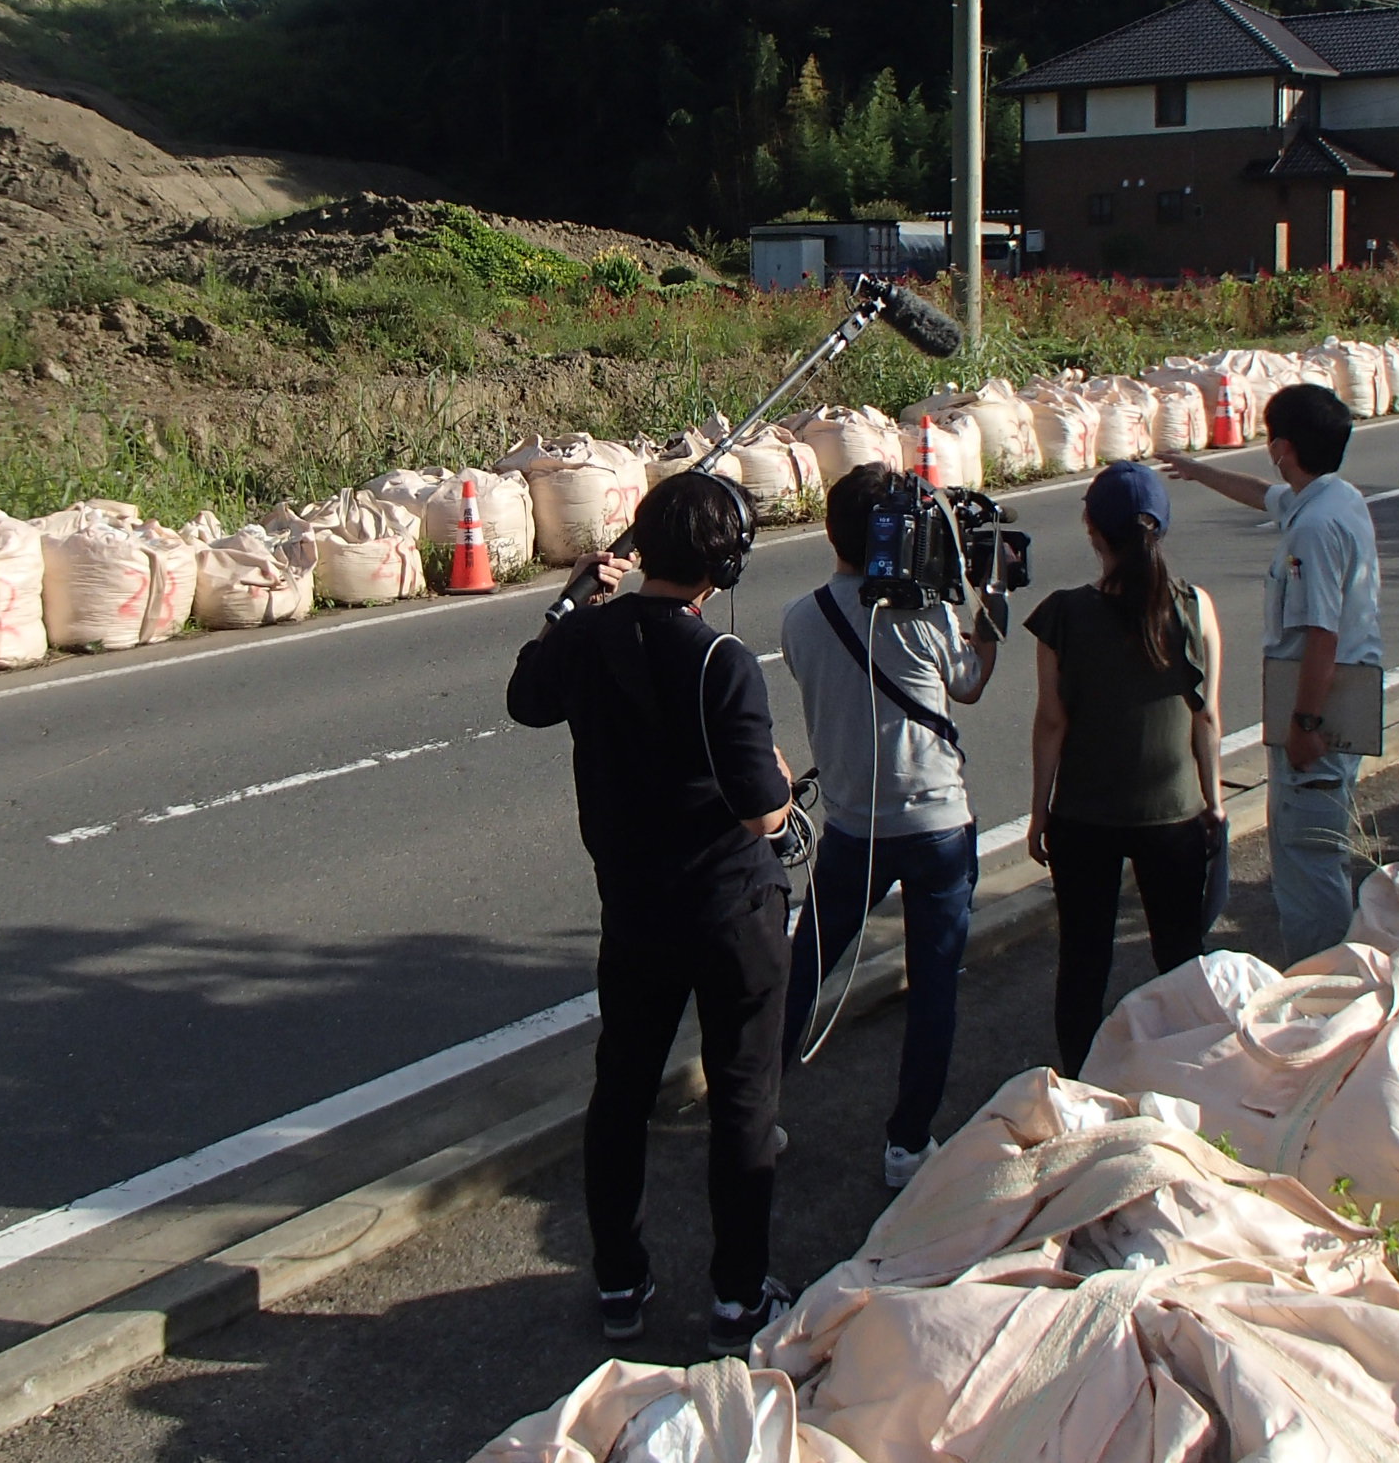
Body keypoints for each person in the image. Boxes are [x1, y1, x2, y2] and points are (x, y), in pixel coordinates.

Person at [505, 470, 799, 1356]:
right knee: (743, 1099)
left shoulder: (589, 636)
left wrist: (570, 602)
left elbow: (525, 700)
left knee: (621, 1093)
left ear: (640, 550)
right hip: (730, 909)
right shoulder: (722, 661)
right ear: (729, 567)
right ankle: (737, 1296)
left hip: (633, 909)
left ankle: (620, 1276)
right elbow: (761, 811)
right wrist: (783, 783)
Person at [778, 462, 1001, 1189]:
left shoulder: (801, 619)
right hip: (939, 824)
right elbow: (968, 685)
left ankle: (753, 1106)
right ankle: (908, 1144)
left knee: (806, 964)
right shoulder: (928, 615)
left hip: (853, 830)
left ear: (830, 531)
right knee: (934, 983)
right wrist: (985, 610)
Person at [1161, 383, 1382, 960]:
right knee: (1313, 843)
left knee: (1307, 855)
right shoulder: (1336, 500)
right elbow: (1265, 495)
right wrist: (1199, 471)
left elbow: (1321, 635)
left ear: (1283, 447)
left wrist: (1306, 723)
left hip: (1319, 709)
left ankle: (1323, 980)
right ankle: (1327, 969)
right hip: (1335, 699)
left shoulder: (1314, 529)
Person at [1024, 461, 1226, 1074]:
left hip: (1084, 814)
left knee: (1085, 958)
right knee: (1181, 952)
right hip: (1174, 812)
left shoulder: (1063, 615)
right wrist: (1213, 804)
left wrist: (1039, 812)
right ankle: (1196, 1068)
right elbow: (1207, 716)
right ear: (1159, 529)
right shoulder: (1193, 606)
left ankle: (1082, 1077)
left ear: (1092, 528)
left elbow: (1052, 722)